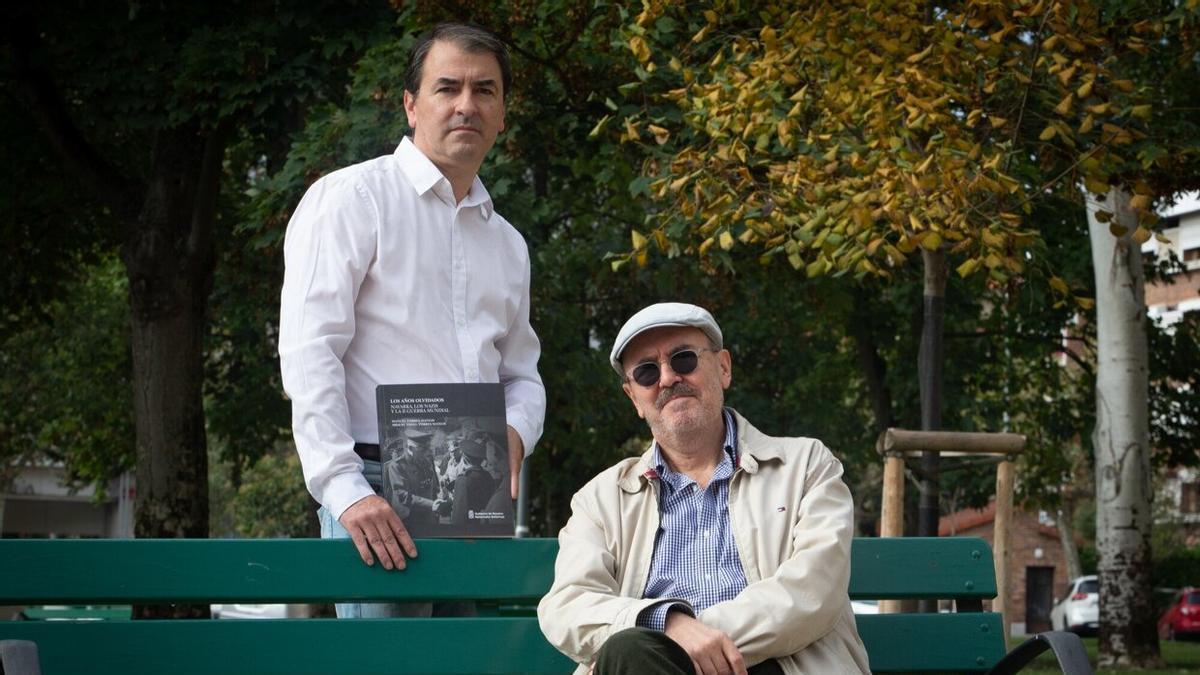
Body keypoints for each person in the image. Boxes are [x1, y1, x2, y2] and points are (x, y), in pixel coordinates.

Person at [278, 23, 545, 617]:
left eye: (485, 90)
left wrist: (512, 438)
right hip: (374, 485)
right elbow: (309, 351)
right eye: (447, 87)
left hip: (471, 492)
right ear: (410, 104)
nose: (466, 105)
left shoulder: (507, 243)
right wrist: (344, 492)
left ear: (503, 113)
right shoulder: (351, 199)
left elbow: (523, 375)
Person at [537, 303, 870, 675]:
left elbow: (813, 591)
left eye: (683, 360)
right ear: (634, 398)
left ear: (723, 367)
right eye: (647, 372)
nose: (666, 378)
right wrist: (668, 624)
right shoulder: (599, 500)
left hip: (773, 667)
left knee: (638, 650)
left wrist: (690, 642)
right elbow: (567, 606)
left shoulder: (806, 465)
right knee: (630, 650)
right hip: (646, 666)